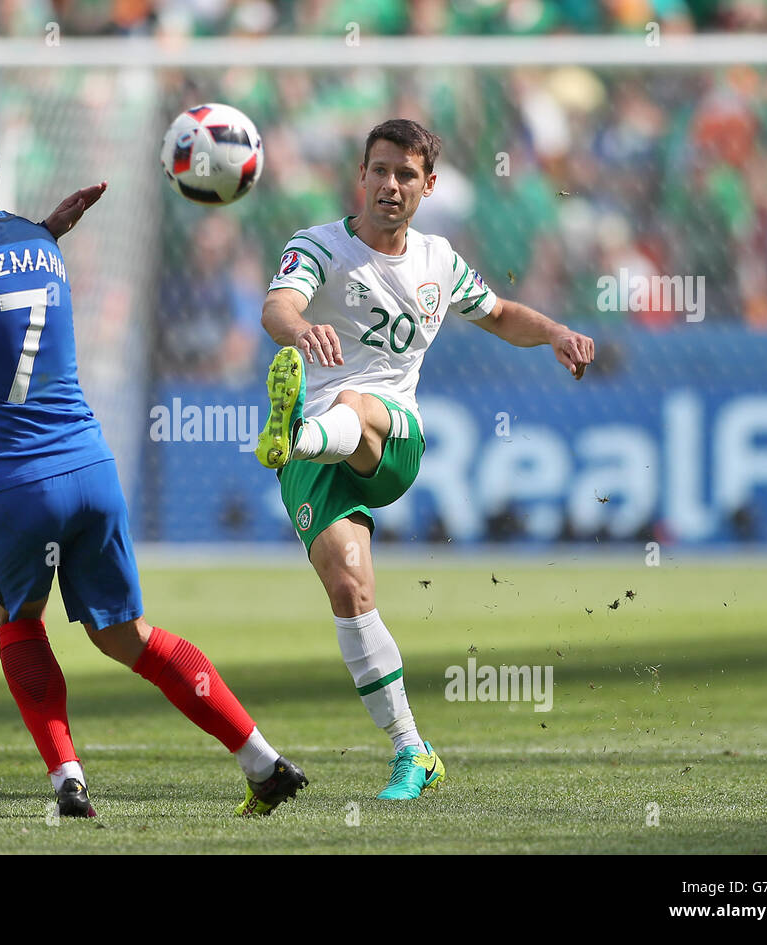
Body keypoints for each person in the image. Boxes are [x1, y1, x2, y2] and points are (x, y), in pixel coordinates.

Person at [0, 110, 306, 817]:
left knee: (19, 621)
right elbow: (12, 301)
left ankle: (66, 779)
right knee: (128, 636)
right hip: (90, 468)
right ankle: (261, 758)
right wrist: (43, 232)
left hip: (15, 482)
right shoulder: (42, 248)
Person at [254, 118, 595, 799]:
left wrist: (555, 329)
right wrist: (301, 328)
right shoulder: (318, 246)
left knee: (354, 396)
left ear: (428, 186)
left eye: (406, 175)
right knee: (350, 592)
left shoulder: (439, 261)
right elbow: (277, 306)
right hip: (320, 462)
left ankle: (295, 435)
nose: (390, 184)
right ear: (360, 175)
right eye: (379, 170)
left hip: (391, 437)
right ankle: (415, 750)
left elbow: (497, 314)